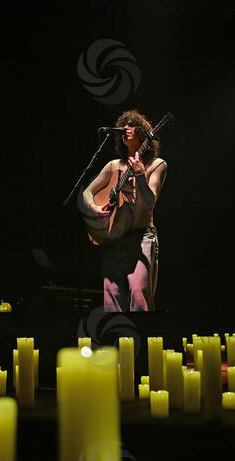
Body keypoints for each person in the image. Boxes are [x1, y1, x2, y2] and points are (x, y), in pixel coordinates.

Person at [82, 110, 168, 311]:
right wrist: (94, 206)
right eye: (124, 125)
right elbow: (87, 192)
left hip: (141, 237)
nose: (126, 128)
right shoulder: (113, 165)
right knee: (112, 299)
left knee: (139, 296)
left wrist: (139, 174)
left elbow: (149, 202)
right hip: (113, 238)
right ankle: (116, 341)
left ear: (144, 132)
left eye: (132, 125)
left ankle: (143, 340)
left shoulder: (157, 165)